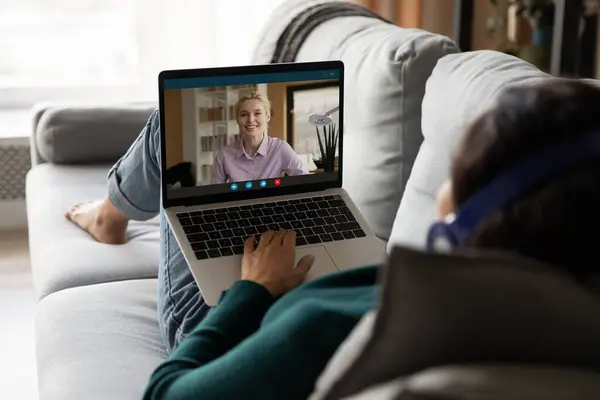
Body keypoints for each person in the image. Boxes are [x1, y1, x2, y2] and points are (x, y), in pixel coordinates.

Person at [65, 79, 600, 400]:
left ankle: (109, 217)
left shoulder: (323, 329)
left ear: (470, 211)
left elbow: (165, 395)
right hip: (298, 272)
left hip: (229, 319)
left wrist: (251, 292)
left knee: (165, 124)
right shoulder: (572, 329)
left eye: (455, 171)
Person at [210, 91, 307, 184]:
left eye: (257, 113)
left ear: (267, 117)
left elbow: (305, 180)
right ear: (237, 120)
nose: (251, 120)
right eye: (244, 114)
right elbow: (215, 195)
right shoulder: (224, 155)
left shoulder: (280, 148)